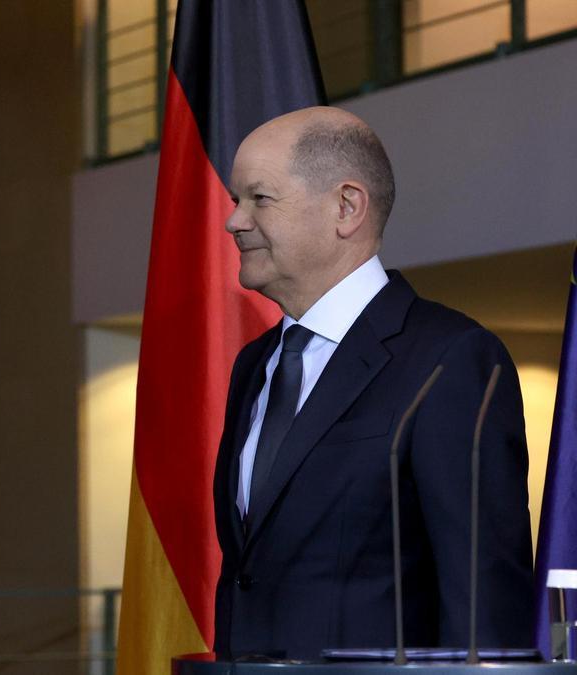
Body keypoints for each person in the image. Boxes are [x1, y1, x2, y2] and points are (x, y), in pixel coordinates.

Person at [212, 106, 533, 658]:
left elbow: (484, 604)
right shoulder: (254, 365)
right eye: (236, 200)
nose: (234, 221)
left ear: (346, 207)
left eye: (259, 199)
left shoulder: (450, 359)